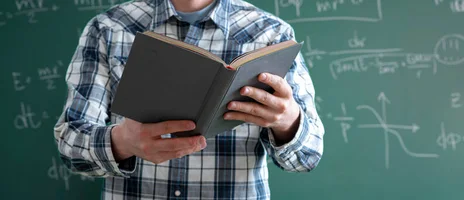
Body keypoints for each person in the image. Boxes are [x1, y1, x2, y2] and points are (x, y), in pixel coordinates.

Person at [53, 0, 324, 199]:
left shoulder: (272, 35)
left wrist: (288, 120)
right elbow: (70, 144)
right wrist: (122, 142)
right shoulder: (108, 28)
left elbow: (308, 157)